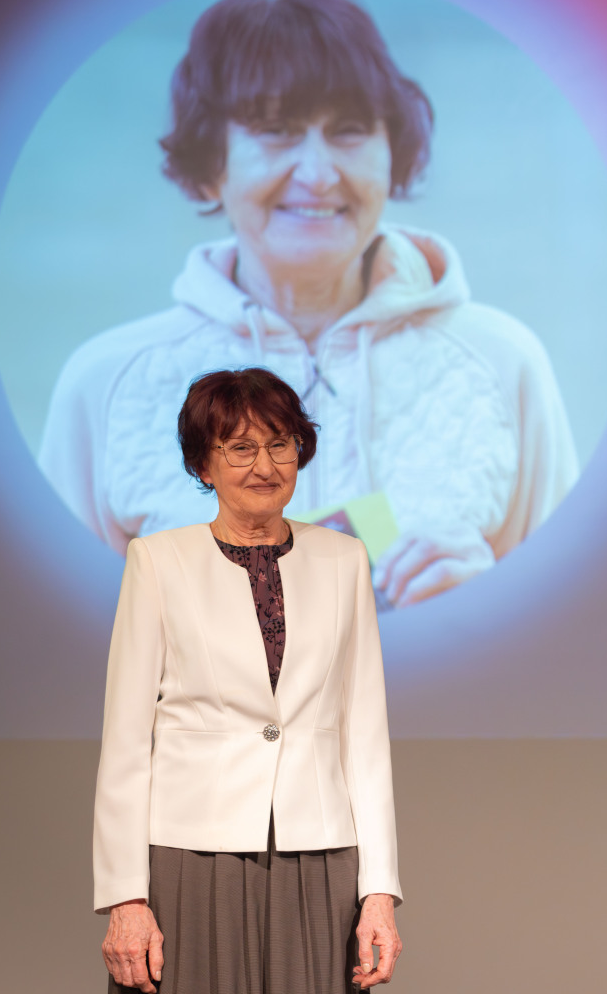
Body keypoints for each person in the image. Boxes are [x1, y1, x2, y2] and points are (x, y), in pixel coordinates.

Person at [40, 0, 578, 608]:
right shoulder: (105, 386)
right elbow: (54, 636)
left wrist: (493, 608)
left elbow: (575, 626)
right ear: (211, 163)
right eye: (276, 131)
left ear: (393, 153)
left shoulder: (504, 364)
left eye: (349, 130)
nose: (319, 174)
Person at [96, 368, 401, 992]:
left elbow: (365, 739)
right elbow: (124, 745)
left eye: (280, 444)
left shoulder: (345, 559)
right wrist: (125, 896)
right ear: (202, 465)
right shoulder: (158, 561)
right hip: (191, 853)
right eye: (240, 447)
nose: (265, 465)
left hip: (319, 855)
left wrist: (379, 891)